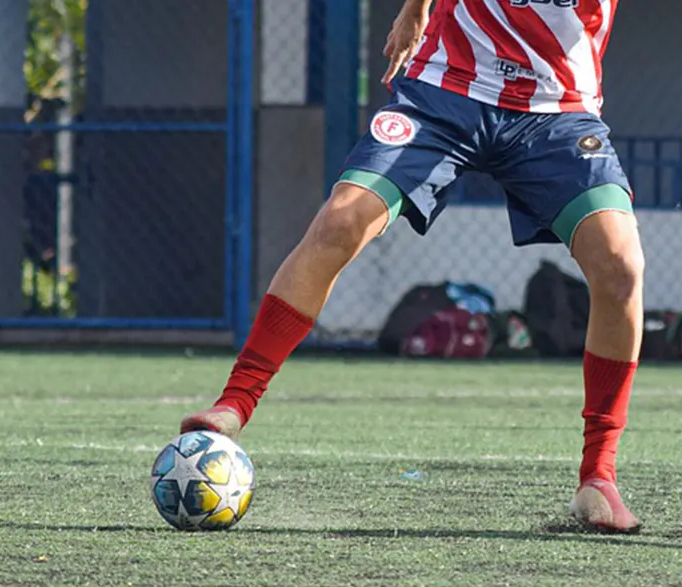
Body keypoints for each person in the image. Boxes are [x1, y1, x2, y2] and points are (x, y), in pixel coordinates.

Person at [180, 0, 647, 533]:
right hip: (444, 90)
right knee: (341, 221)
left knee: (619, 267)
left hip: (558, 113)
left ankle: (599, 475)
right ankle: (233, 405)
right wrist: (415, 9)